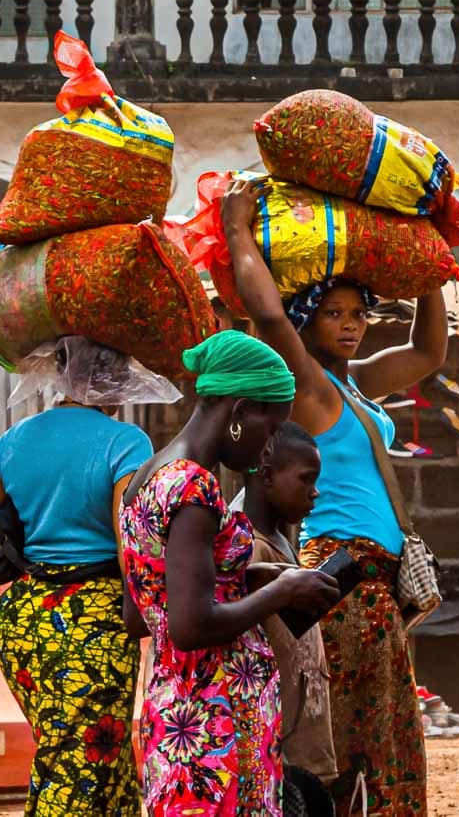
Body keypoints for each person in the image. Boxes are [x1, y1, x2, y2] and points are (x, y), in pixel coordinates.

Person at [222, 177, 448, 814]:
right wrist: (239, 228)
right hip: (338, 581)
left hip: (375, 591)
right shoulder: (313, 391)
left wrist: (429, 261)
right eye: (334, 314)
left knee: (381, 745)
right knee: (345, 746)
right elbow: (266, 314)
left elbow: (430, 351)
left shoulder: (359, 386)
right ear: (306, 320)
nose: (351, 326)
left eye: (359, 315)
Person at [121, 330, 340, 817]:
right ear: (240, 413)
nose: (267, 450)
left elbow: (141, 614)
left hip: (173, 708)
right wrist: (283, 589)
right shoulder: (194, 489)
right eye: (270, 428)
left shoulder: (147, 476)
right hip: (218, 719)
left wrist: (247, 578)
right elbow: (191, 625)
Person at [0, 339, 154, 817]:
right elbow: (132, 549)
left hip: (25, 622)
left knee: (82, 760)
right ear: (115, 377)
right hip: (94, 623)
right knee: (82, 772)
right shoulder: (126, 442)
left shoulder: (15, 440)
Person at [237, 422, 338, 789]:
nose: (315, 492)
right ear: (266, 476)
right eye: (306, 479)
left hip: (302, 737)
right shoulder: (250, 548)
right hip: (277, 742)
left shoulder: (282, 542)